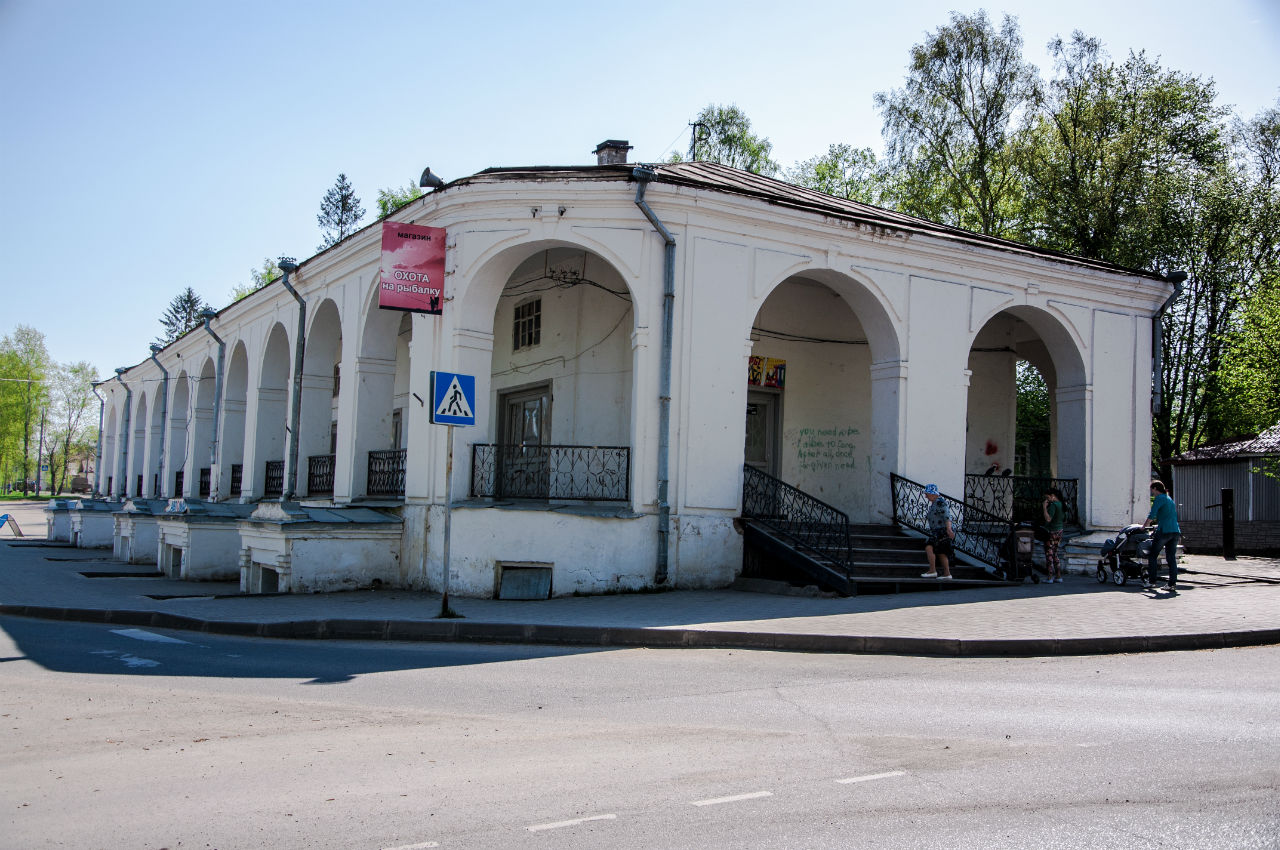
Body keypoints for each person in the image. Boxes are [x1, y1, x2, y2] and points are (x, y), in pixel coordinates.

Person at [1143, 480, 1182, 591]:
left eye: (1152, 489)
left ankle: (1152, 582)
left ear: (1155, 488)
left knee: (1153, 555)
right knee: (1171, 558)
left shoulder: (1159, 499)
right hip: (1175, 531)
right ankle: (1171, 584)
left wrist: (1143, 526)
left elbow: (1152, 514)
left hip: (1164, 530)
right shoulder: (1169, 499)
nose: (1152, 492)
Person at [921, 484, 954, 580]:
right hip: (938, 531)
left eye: (927, 494)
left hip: (940, 531)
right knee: (941, 552)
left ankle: (932, 571)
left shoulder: (940, 502)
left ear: (933, 493)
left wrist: (949, 529)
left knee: (929, 547)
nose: (926, 496)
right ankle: (947, 574)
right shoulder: (936, 502)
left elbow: (947, 516)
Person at [1042, 488, 1065, 583]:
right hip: (1060, 530)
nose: (1047, 500)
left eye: (1048, 497)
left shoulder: (1054, 505)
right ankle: (1058, 576)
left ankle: (1049, 577)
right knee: (1055, 553)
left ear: (1052, 496)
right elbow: (1065, 518)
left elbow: (1048, 519)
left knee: (1049, 553)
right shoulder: (1062, 505)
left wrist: (1044, 508)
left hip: (1051, 531)